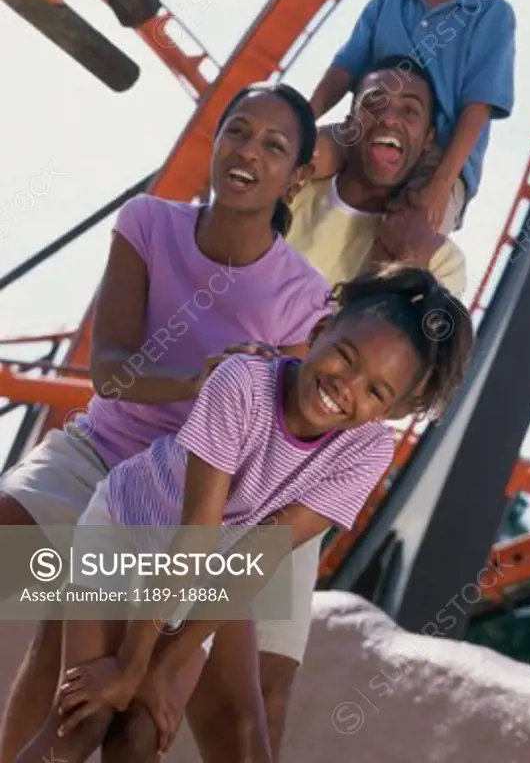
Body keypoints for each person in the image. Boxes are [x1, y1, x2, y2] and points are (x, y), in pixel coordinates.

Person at [0, 84, 331, 763]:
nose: (247, 152)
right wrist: (196, 383)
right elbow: (110, 370)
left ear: (296, 176)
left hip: (192, 498)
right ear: (215, 142)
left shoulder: (305, 297)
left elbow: (281, 438)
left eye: (273, 146)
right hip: (98, 454)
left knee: (213, 721)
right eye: (237, 132)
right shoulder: (147, 222)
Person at [22, 265, 474, 763]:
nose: (347, 387)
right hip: (126, 529)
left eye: (375, 392)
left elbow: (257, 557)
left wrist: (165, 669)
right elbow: (198, 526)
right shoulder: (242, 384)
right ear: (320, 333)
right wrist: (131, 665)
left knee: (141, 737)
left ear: (389, 412)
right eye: (346, 358)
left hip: (206, 572)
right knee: (83, 722)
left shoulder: (365, 451)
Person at [308, 0, 516, 235]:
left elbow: (477, 108)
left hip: (440, 159)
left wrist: (440, 185)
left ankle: (372, 293)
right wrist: (302, 122)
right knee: (295, 154)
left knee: (411, 231)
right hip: (366, 132)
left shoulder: (491, 14)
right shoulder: (385, 4)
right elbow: (343, 70)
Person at [287, 56, 467, 293]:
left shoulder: (442, 263)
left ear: (428, 140)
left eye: (410, 111)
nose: (390, 118)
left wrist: (409, 261)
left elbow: (412, 329)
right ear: (350, 125)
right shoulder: (286, 194)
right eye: (373, 103)